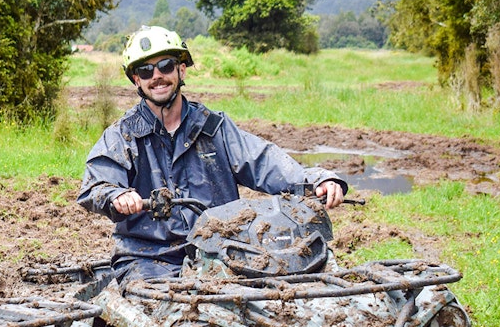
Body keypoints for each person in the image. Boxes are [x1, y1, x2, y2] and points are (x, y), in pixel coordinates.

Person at [77, 26, 346, 283]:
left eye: (166, 66)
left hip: (222, 248)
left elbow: (263, 161)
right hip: (148, 256)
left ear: (181, 70)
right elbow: (96, 185)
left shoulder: (213, 127)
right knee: (168, 313)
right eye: (146, 71)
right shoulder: (123, 135)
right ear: (137, 79)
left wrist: (317, 180)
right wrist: (116, 195)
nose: (157, 76)